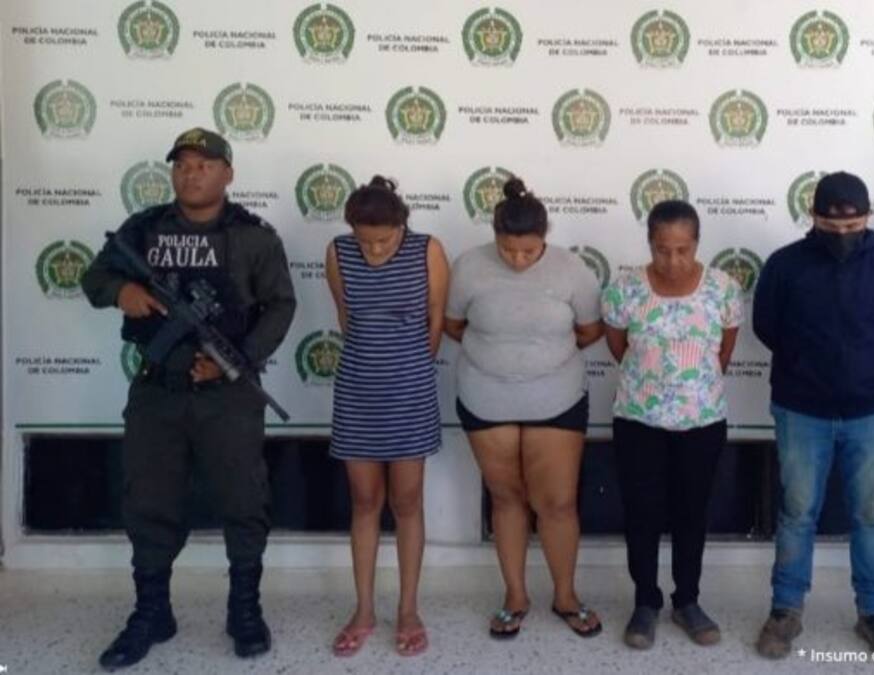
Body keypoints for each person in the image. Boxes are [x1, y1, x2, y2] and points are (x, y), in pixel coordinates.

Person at [81, 127, 296, 669]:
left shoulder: (253, 237)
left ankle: (244, 610)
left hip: (229, 395)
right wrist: (122, 291)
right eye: (182, 164)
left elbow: (280, 305)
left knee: (244, 500)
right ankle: (152, 612)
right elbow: (95, 278)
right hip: (158, 391)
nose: (190, 173)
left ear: (228, 174)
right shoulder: (145, 228)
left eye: (204, 164)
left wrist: (236, 361)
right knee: (149, 499)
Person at [752, 171, 874, 661]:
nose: (843, 235)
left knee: (869, 515)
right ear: (814, 217)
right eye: (832, 226)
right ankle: (785, 609)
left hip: (869, 411)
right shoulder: (785, 265)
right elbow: (766, 326)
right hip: (800, 409)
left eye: (853, 226)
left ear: (868, 217)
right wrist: (808, 366)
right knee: (797, 511)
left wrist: (861, 368)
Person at [444, 177, 605, 639]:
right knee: (506, 498)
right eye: (508, 250)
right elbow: (453, 324)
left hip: (556, 397)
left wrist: (540, 360)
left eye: (529, 251)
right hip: (484, 396)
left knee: (557, 502)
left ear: (545, 237)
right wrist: (501, 357)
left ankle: (565, 596)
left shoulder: (572, 269)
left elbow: (590, 330)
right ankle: (515, 596)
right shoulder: (469, 266)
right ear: (494, 235)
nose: (518, 260)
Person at [601, 199, 742, 649]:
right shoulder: (625, 289)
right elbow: (619, 347)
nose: (673, 260)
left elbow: (724, 351)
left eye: (683, 249)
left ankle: (687, 601)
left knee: (691, 512)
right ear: (649, 243)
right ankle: (645, 601)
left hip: (702, 421)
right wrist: (653, 384)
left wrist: (690, 390)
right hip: (639, 420)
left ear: (697, 243)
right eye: (663, 249)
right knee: (641, 512)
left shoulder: (723, 288)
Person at [324, 176, 450, 657]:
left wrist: (408, 366)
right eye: (366, 241)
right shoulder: (338, 252)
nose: (374, 249)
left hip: (410, 392)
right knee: (363, 501)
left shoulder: (427, 250)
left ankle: (408, 609)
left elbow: (435, 321)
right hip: (357, 391)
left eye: (384, 240)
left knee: (408, 501)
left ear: (402, 226)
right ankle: (363, 610)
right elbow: (346, 317)